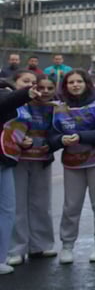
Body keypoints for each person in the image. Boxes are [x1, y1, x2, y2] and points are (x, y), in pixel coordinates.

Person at [49, 70, 95, 264]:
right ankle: (67, 245)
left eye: (79, 81)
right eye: (71, 82)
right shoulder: (58, 107)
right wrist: (60, 139)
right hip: (72, 162)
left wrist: (81, 137)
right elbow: (51, 135)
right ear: (65, 85)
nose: (75, 85)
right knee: (71, 205)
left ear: (87, 83)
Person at [6, 74, 58, 265]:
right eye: (25, 81)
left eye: (32, 82)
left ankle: (40, 245)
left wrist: (51, 143)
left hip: (42, 159)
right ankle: (16, 249)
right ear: (16, 83)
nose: (43, 90)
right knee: (17, 205)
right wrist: (20, 140)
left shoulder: (55, 107)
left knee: (41, 204)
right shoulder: (11, 103)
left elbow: (60, 131)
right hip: (17, 159)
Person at [0, 72, 43, 274]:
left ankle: (1, 258)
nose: (31, 85)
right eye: (26, 82)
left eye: (33, 82)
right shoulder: (9, 95)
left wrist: (24, 142)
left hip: (6, 160)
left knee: (8, 210)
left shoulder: (11, 95)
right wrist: (25, 93)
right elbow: (5, 102)